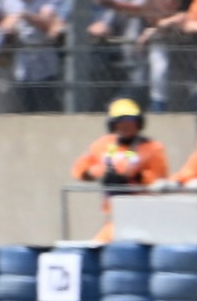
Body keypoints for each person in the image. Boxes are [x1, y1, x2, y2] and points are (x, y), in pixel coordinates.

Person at [71, 98, 172, 241]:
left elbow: (158, 180)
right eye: (121, 120)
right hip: (112, 216)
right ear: (113, 124)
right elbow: (79, 169)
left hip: (141, 214)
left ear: (139, 123)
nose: (126, 125)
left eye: (130, 120)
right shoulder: (104, 144)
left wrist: (135, 179)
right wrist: (97, 172)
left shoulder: (152, 148)